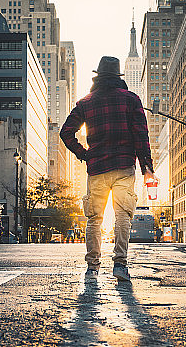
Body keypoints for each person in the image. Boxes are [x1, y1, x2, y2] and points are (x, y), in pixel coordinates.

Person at [60, 56, 153, 282]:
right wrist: (147, 168)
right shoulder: (131, 100)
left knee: (94, 219)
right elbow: (141, 135)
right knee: (123, 216)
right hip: (124, 167)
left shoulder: (86, 102)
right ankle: (120, 265)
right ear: (118, 76)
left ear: (98, 76)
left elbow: (66, 132)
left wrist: (84, 154)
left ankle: (92, 268)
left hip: (97, 168)